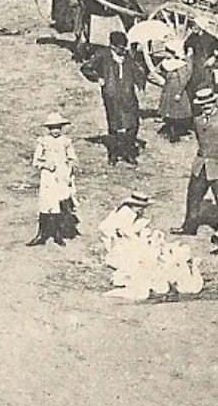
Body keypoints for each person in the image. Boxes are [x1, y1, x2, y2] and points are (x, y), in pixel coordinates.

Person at [178, 88, 218, 235]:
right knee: (193, 196)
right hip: (201, 165)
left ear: (214, 103)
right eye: (203, 105)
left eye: (208, 104)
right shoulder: (198, 121)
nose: (206, 108)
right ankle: (189, 227)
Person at [83, 32, 145, 165]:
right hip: (112, 96)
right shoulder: (103, 55)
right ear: (112, 46)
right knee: (114, 125)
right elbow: (86, 68)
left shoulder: (127, 56)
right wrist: (98, 78)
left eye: (124, 47)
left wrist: (140, 83)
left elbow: (136, 71)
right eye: (120, 48)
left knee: (133, 124)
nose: (123, 50)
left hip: (129, 95)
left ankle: (128, 153)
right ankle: (114, 154)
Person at [28, 112, 78, 246]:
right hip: (48, 177)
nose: (55, 131)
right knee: (46, 203)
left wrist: (69, 168)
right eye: (52, 128)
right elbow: (36, 161)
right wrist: (45, 164)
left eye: (58, 128)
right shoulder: (43, 142)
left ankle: (57, 234)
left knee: (58, 204)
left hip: (61, 176)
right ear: (48, 129)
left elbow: (73, 159)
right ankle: (42, 234)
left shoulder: (66, 142)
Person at [157, 56, 194, 141]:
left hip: (176, 91)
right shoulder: (166, 63)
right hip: (168, 90)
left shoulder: (181, 66)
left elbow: (184, 80)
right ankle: (171, 132)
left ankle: (176, 133)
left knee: (177, 113)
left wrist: (179, 93)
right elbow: (158, 71)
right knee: (168, 112)